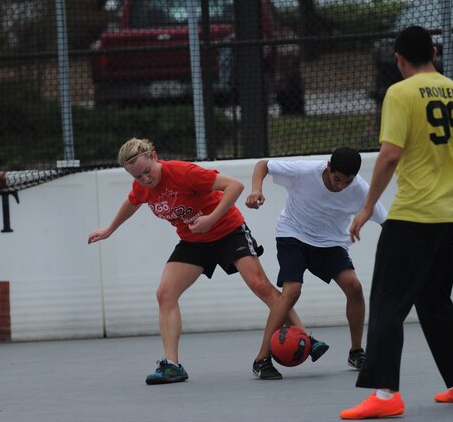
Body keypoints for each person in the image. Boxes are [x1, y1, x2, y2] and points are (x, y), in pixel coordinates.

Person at [88, 137, 325, 384]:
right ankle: (172, 365)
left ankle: (307, 337)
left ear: (155, 157)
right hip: (194, 241)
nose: (145, 179)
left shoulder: (183, 172)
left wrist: (211, 218)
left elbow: (234, 186)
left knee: (260, 286)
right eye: (137, 177)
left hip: (227, 231)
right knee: (165, 294)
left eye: (147, 171)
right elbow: (133, 201)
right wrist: (110, 229)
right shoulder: (142, 187)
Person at [341, 25, 453, 419]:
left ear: (399, 60)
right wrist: (441, 180)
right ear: (435, 53)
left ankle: (386, 395)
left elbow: (389, 155)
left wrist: (368, 206)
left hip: (412, 215)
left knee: (389, 300)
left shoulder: (400, 92)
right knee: (434, 300)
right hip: (448, 215)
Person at [245, 146, 387, 372]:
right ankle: (262, 359)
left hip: (330, 243)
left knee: (355, 286)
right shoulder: (305, 170)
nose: (340, 186)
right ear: (329, 167)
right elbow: (263, 164)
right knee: (292, 290)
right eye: (337, 179)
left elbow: (384, 221)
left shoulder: (360, 189)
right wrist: (256, 190)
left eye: (347, 182)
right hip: (293, 233)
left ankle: (356, 352)